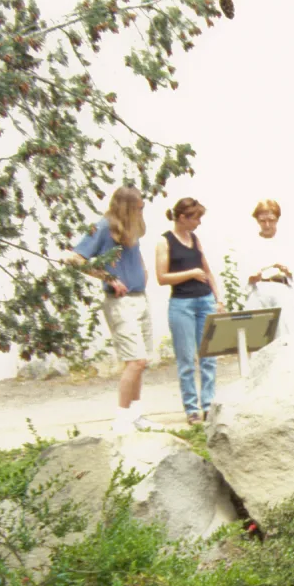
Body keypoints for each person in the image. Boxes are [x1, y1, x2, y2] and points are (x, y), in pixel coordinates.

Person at [65, 186, 165, 435]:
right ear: (126, 206)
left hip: (139, 297)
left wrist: (143, 272)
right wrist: (108, 278)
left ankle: (136, 415)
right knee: (135, 360)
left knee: (141, 362)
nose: (142, 211)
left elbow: (135, 255)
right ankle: (121, 420)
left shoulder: (130, 228)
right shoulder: (103, 227)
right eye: (138, 207)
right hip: (120, 302)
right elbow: (74, 258)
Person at [155, 198, 222, 425]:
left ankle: (208, 405)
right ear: (182, 217)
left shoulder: (195, 239)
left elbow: (207, 270)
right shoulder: (165, 242)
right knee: (186, 359)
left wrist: (218, 298)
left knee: (209, 358)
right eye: (196, 218)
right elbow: (162, 277)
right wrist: (190, 273)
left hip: (204, 300)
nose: (199, 223)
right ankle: (192, 409)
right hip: (181, 304)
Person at [241, 199, 293, 337]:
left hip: (281, 289)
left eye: (271, 220)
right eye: (262, 221)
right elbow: (244, 271)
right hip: (259, 290)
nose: (267, 225)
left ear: (277, 219)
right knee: (256, 336)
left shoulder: (287, 242)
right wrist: (251, 277)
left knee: (282, 335)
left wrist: (289, 271)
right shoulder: (250, 243)